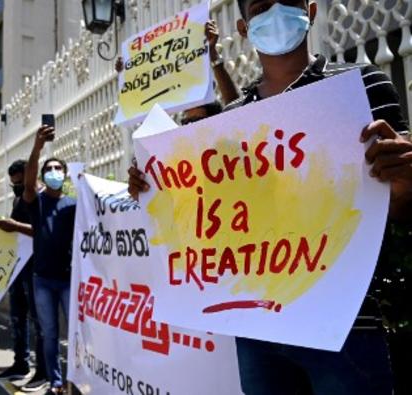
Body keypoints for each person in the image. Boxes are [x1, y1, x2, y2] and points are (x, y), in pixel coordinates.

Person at [128, 1, 412, 394]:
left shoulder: (362, 87)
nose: (276, 13)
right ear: (244, 27)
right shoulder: (234, 118)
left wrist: (404, 179)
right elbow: (212, 213)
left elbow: (399, 208)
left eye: (288, 2)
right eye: (263, 7)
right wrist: (155, 189)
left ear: (310, 10)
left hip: (346, 325)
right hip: (258, 330)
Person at [22, 126, 77, 395]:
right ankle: (56, 382)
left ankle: (77, 378)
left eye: (58, 168)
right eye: (49, 169)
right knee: (50, 333)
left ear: (65, 175)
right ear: (44, 175)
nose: (54, 172)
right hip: (42, 279)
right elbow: (29, 184)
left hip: (69, 279)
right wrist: (37, 148)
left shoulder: (75, 205)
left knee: (76, 333)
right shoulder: (37, 201)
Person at [115, 19, 239, 126]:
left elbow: (234, 106)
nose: (189, 126)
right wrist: (128, 77)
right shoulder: (181, 148)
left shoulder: (225, 136)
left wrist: (212, 53)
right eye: (186, 122)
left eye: (196, 121)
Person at [0, 159, 49, 392]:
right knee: (18, 317)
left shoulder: (45, 197)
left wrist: (15, 226)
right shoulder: (19, 199)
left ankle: (44, 371)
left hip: (39, 269)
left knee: (40, 321)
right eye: (13, 184)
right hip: (19, 267)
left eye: (20, 182)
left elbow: (46, 231)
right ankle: (20, 363)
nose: (17, 187)